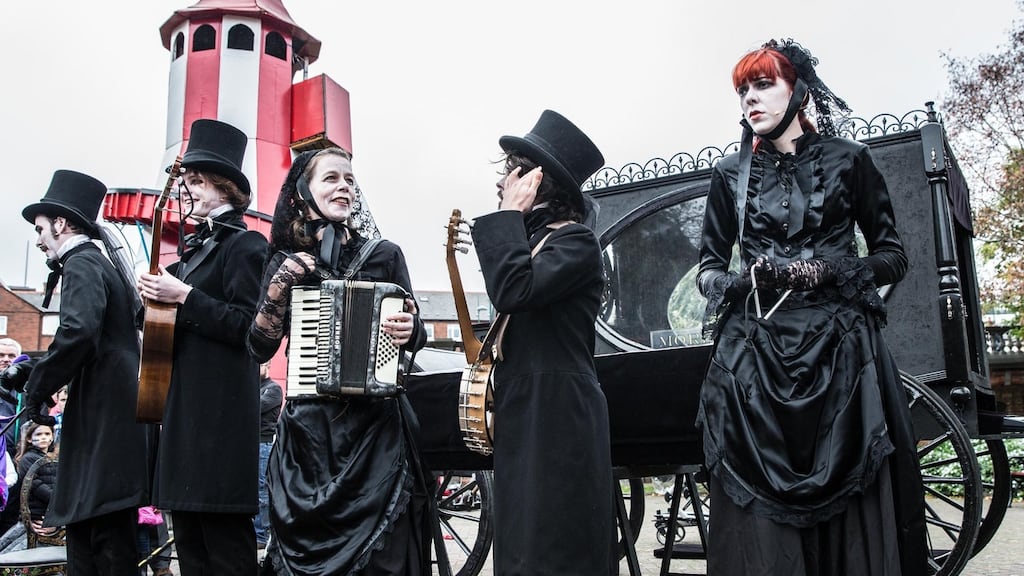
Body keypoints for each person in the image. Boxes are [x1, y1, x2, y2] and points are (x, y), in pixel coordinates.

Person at [695, 39, 928, 575]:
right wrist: (734, 282)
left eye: (762, 85)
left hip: (843, 352)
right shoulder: (730, 173)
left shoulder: (851, 159)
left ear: (797, 90)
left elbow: (892, 257)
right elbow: (707, 266)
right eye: (741, 90)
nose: (749, 99)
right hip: (756, 360)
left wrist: (828, 270)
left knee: (855, 501)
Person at [246, 146, 427, 575]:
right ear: (304, 190)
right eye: (331, 178)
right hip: (311, 432)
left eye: (349, 179)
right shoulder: (286, 262)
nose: (344, 187)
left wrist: (409, 331)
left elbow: (414, 328)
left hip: (375, 432)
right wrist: (283, 282)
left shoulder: (384, 255)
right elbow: (258, 347)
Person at [470, 109, 614, 575]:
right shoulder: (531, 241)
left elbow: (515, 290)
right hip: (526, 405)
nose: (503, 183)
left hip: (559, 413)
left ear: (539, 181)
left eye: (514, 170)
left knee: (556, 544)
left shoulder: (576, 243)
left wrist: (509, 216)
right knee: (522, 546)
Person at [137, 118, 268, 575]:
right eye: (186, 181)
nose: (187, 189)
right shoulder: (192, 252)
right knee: (190, 546)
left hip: (219, 421)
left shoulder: (246, 245)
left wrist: (184, 296)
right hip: (183, 416)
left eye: (196, 182)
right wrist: (150, 301)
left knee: (225, 552)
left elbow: (248, 327)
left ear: (225, 188)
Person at [15, 168, 152, 573]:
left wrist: (37, 389)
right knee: (96, 535)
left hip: (105, 425)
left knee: (104, 542)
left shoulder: (82, 262)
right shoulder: (97, 263)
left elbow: (78, 331)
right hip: (113, 422)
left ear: (60, 223)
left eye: (40, 228)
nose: (38, 239)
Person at [254, 361, 282, 549]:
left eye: (261, 365)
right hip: (250, 443)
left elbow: (256, 407)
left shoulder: (273, 389)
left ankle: (262, 535)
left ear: (268, 366)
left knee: (262, 491)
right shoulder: (255, 388)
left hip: (263, 443)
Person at [14, 422, 57, 538]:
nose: (43, 437)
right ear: (29, 438)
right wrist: (59, 500)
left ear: (52, 437)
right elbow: (36, 485)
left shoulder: (54, 459)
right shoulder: (28, 459)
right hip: (36, 515)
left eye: (47, 434)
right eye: (38, 434)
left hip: (51, 512)